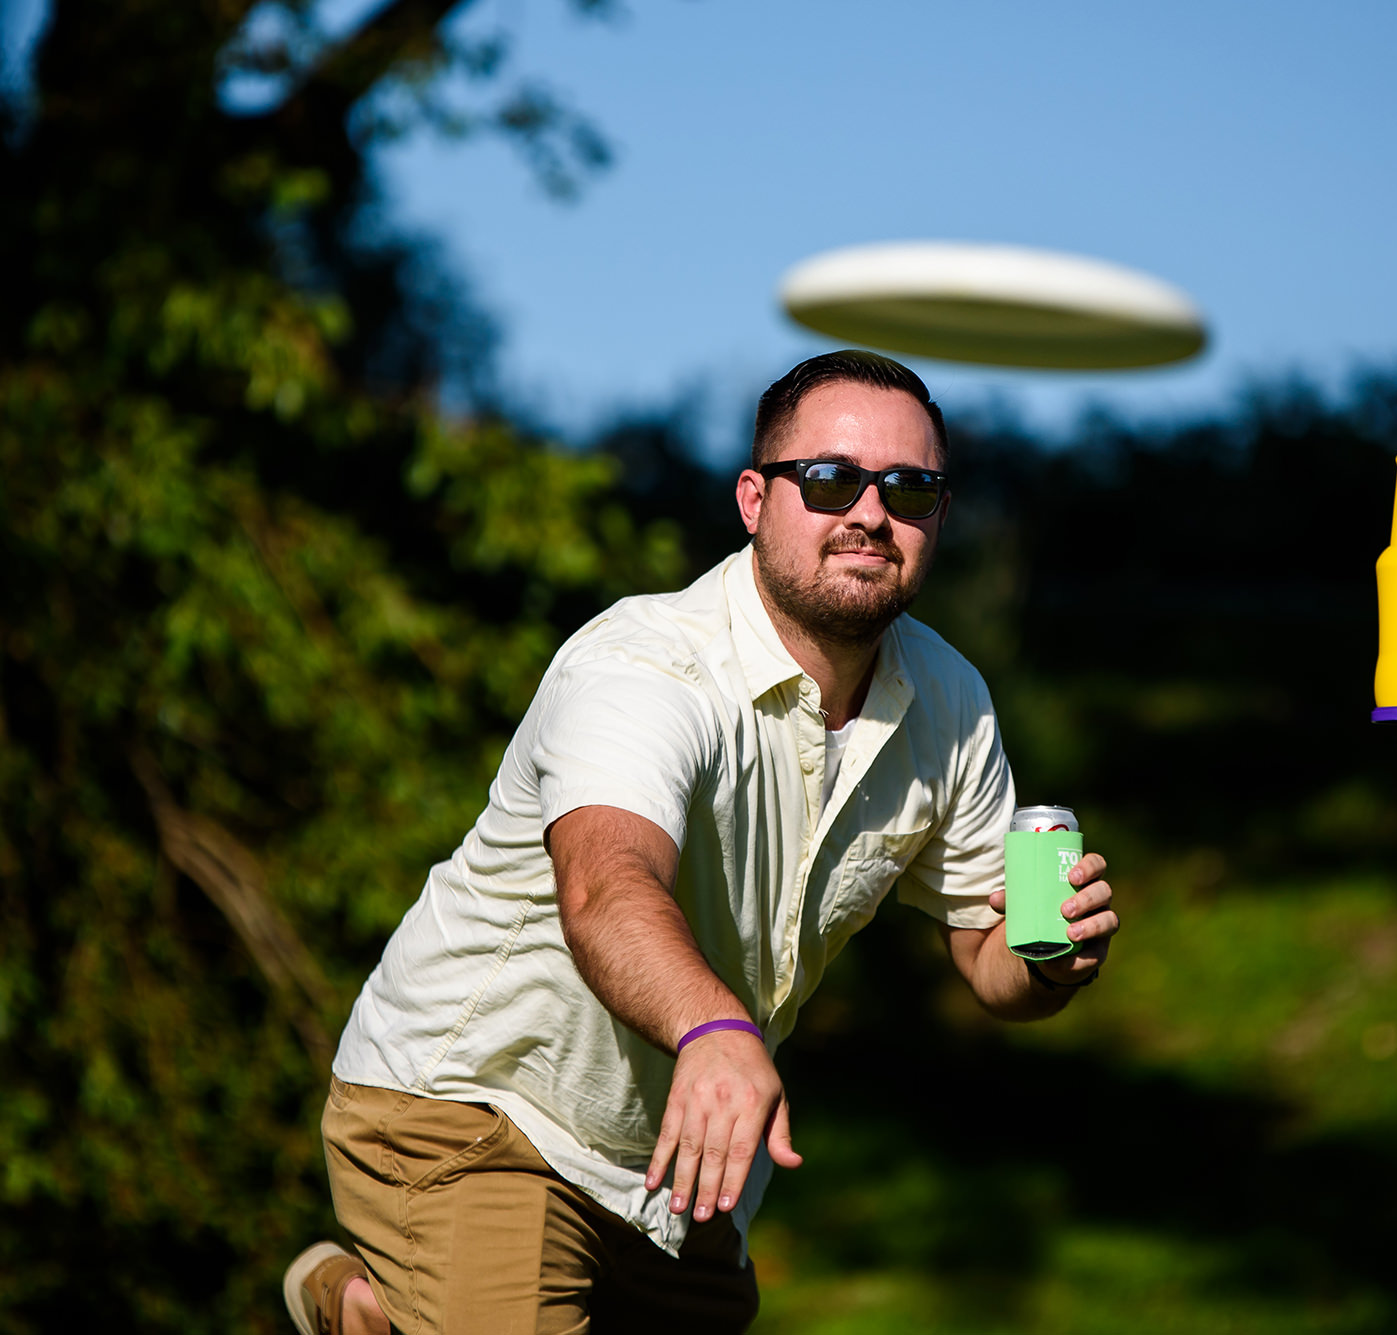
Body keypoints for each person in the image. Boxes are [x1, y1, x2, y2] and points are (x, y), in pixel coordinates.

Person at [282, 350, 1121, 1335]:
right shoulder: (645, 665)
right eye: (829, 479)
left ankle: (371, 1313)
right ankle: (382, 1288)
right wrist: (718, 1032)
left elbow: (987, 959)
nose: (869, 512)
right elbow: (607, 884)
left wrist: (1052, 960)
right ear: (753, 499)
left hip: (681, 1159)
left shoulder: (949, 703)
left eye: (910, 488)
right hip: (479, 1104)